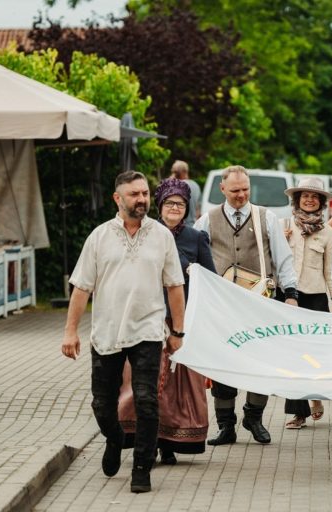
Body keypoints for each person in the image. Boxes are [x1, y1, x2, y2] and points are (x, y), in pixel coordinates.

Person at [61, 170, 185, 493]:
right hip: (106, 332)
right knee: (102, 404)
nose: (142, 199)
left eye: (144, 193)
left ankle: (141, 468)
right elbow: (81, 288)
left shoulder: (161, 236)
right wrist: (70, 331)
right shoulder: (99, 237)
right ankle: (115, 438)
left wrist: (178, 332)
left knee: (147, 401)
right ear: (118, 198)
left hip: (148, 330)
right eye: (134, 194)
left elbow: (174, 286)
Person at [194, 165, 298, 446]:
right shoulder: (207, 220)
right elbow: (193, 257)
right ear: (223, 189)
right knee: (223, 363)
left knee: (260, 363)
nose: (241, 195)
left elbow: (283, 258)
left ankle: (254, 417)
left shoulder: (267, 217)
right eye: (235, 190)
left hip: (259, 304)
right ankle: (226, 426)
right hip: (223, 306)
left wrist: (290, 293)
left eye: (245, 190)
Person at [117, 178, 216, 464]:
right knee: (145, 381)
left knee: (178, 386)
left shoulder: (196, 239)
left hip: (181, 320)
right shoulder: (145, 233)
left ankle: (170, 442)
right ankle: (146, 440)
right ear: (160, 206)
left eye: (181, 204)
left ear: (187, 208)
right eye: (170, 203)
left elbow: (209, 278)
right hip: (147, 317)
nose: (175, 208)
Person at [280, 177, 332, 429]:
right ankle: (298, 413)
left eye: (315, 197)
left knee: (315, 354)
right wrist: (281, 240)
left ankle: (316, 396)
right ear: (297, 199)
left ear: (322, 202)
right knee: (292, 355)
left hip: (315, 298)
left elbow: (330, 271)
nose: (309, 200)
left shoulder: (328, 233)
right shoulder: (283, 225)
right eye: (305, 195)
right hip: (290, 296)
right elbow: (275, 262)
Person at [171, 160, 201, 226]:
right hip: (193, 226)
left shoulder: (176, 185)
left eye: (175, 172)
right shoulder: (195, 185)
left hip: (177, 227)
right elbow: (198, 211)